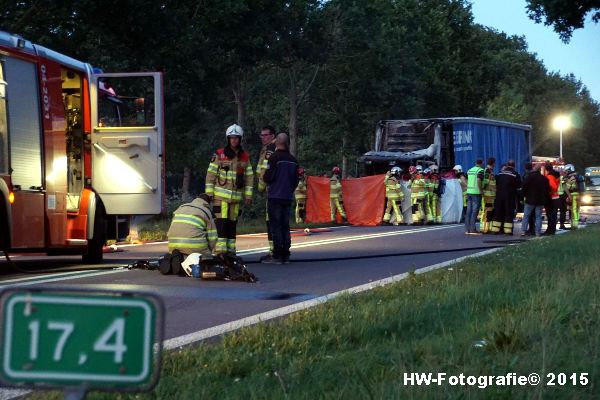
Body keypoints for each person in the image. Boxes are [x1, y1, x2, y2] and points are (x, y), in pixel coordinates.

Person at [205, 124, 254, 254]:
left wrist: (248, 196)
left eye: (236, 138)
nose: (234, 140)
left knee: (232, 223)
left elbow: (249, 178)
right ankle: (221, 249)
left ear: (240, 139)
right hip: (220, 198)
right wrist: (209, 194)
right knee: (221, 222)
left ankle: (231, 249)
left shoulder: (244, 157)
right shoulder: (219, 155)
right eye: (231, 138)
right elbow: (210, 175)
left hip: (236, 198)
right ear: (228, 139)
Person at [261, 133, 300, 264]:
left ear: (277, 143)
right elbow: (296, 180)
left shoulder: (274, 158)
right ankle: (286, 254)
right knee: (285, 225)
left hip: (275, 196)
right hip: (287, 197)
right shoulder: (293, 160)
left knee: (276, 226)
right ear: (287, 143)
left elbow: (267, 176)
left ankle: (277, 255)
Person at [256, 125, 277, 256]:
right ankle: (274, 250)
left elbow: (265, 170)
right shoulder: (267, 148)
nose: (262, 138)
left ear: (272, 136)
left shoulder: (271, 149)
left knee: (271, 221)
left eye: (265, 135)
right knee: (272, 220)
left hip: (270, 188)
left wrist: (260, 187)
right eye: (261, 135)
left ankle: (274, 250)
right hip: (273, 189)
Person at [490, 160, 521, 235]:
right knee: (508, 213)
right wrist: (520, 198)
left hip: (499, 196)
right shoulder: (515, 174)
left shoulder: (500, 173)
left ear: (507, 165)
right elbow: (519, 187)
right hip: (509, 197)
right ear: (514, 166)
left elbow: (496, 184)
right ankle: (507, 231)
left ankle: (495, 230)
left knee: (498, 212)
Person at [521, 164, 550, 237]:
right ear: (540, 170)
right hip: (540, 200)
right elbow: (547, 190)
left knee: (526, 216)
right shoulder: (544, 179)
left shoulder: (529, 177)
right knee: (538, 216)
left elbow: (524, 188)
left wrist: (522, 197)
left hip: (530, 200)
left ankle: (523, 231)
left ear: (534, 169)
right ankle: (537, 232)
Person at [465, 159, 485, 234]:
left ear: (475, 163)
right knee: (475, 211)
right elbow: (479, 180)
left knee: (468, 211)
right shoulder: (480, 170)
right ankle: (473, 229)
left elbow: (467, 180)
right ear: (481, 163)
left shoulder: (469, 170)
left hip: (469, 192)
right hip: (476, 192)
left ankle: (467, 229)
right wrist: (481, 191)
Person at [542, 162, 560, 235]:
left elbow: (553, 187)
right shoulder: (556, 174)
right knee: (553, 215)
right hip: (556, 197)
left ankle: (550, 230)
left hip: (551, 198)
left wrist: (548, 193)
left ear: (546, 168)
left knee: (550, 215)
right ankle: (552, 230)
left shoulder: (550, 176)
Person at [481, 157, 496, 233]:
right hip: (488, 195)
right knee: (487, 211)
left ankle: (488, 227)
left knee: (490, 211)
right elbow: (486, 182)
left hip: (491, 195)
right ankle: (484, 228)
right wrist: (483, 190)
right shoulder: (487, 171)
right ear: (493, 163)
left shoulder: (490, 171)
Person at [564, 164, 580, 228]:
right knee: (577, 210)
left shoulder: (570, 178)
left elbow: (566, 188)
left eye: (566, 171)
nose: (566, 172)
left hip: (573, 195)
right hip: (578, 195)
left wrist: (568, 196)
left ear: (570, 170)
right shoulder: (577, 176)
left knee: (573, 210)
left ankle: (574, 225)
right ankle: (575, 223)